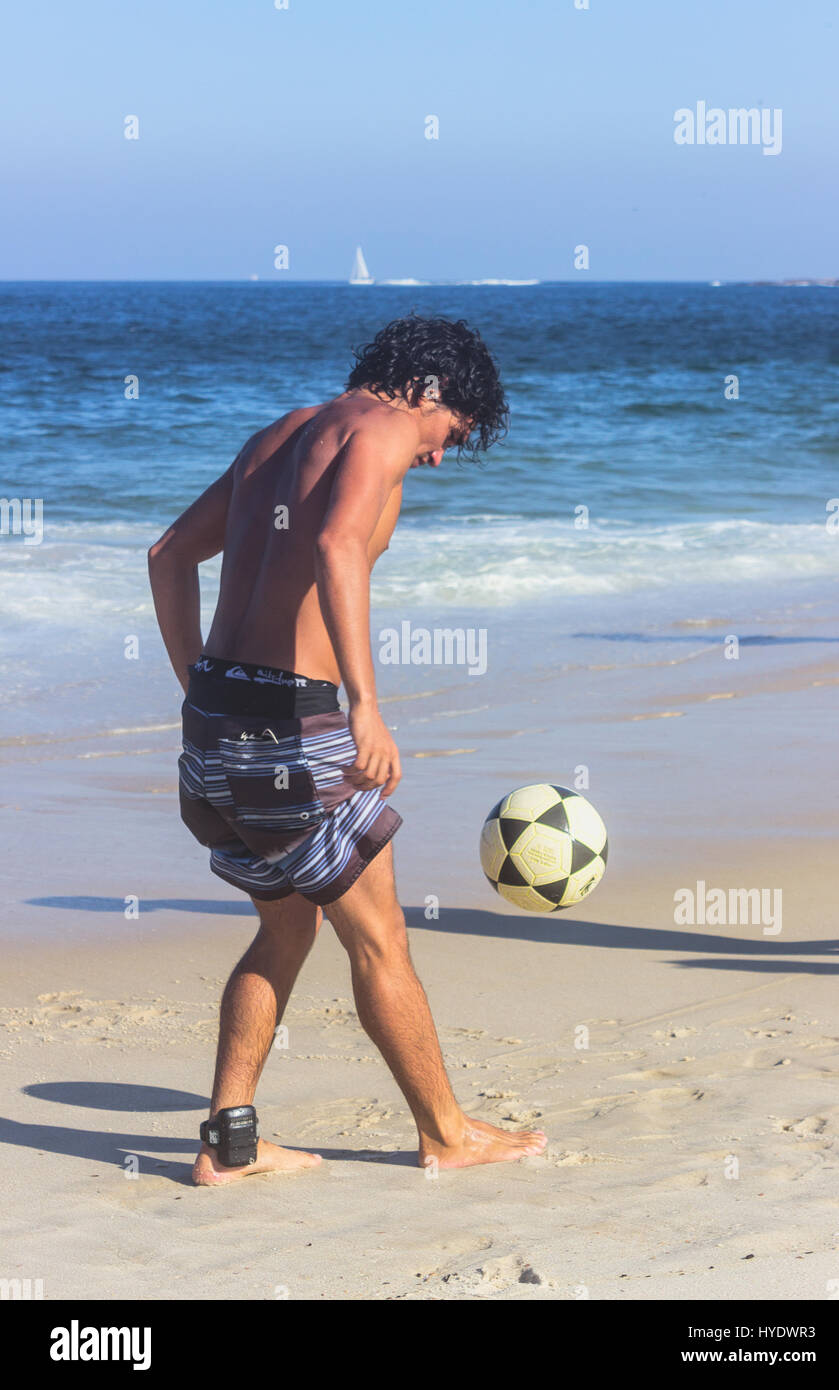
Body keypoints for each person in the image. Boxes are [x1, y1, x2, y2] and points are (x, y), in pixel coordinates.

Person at [148, 315, 547, 1183]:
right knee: (381, 940)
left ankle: (230, 1144)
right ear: (434, 393)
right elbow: (335, 545)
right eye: (455, 434)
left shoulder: (277, 436)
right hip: (296, 734)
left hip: (215, 736)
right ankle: (445, 1132)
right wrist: (367, 707)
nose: (440, 455)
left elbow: (168, 555)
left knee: (285, 931)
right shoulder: (384, 427)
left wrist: (200, 693)